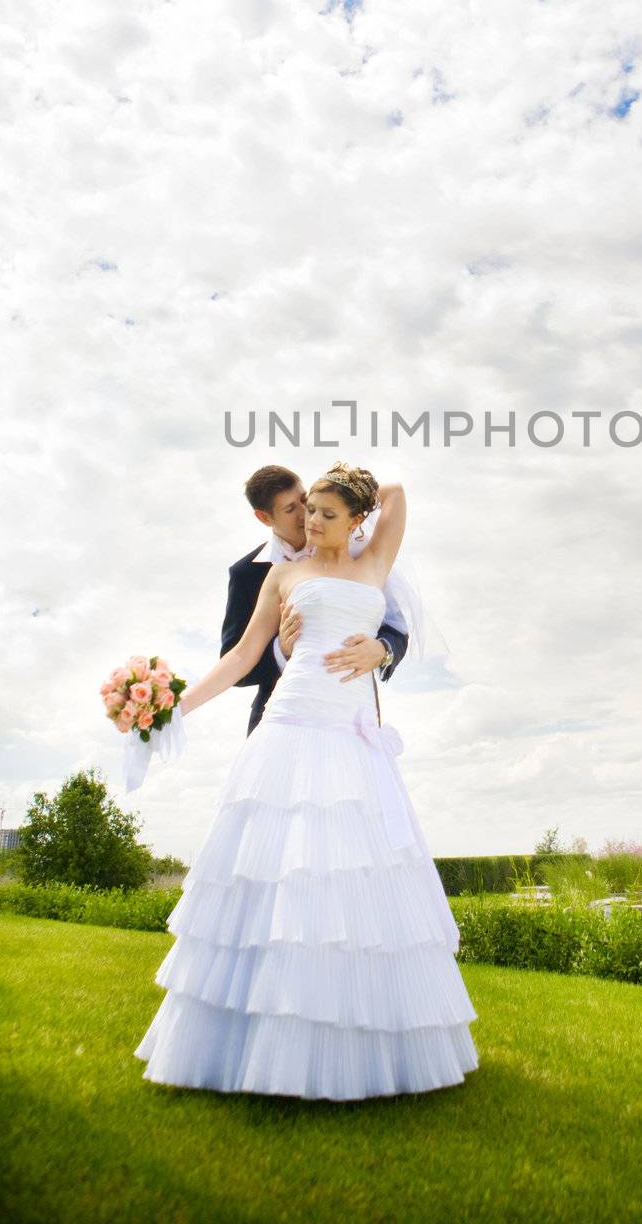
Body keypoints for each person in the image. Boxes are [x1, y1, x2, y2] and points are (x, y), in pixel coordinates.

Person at [134, 462, 479, 1100]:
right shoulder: (281, 575)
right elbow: (240, 656)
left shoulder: (374, 562)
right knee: (279, 876)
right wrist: (169, 709)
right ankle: (248, 1042)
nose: (312, 523)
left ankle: (355, 1038)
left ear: (355, 519)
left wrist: (350, 486)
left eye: (324, 512)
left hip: (352, 735)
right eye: (306, 512)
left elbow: (398, 492)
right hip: (291, 725)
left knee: (352, 881)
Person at [220, 464, 410, 737]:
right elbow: (236, 660)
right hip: (281, 719)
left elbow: (395, 628)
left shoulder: (358, 553)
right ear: (264, 517)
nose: (305, 515)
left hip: (350, 713)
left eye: (304, 500)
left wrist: (382, 650)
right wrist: (281, 650)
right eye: (290, 509)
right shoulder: (247, 574)